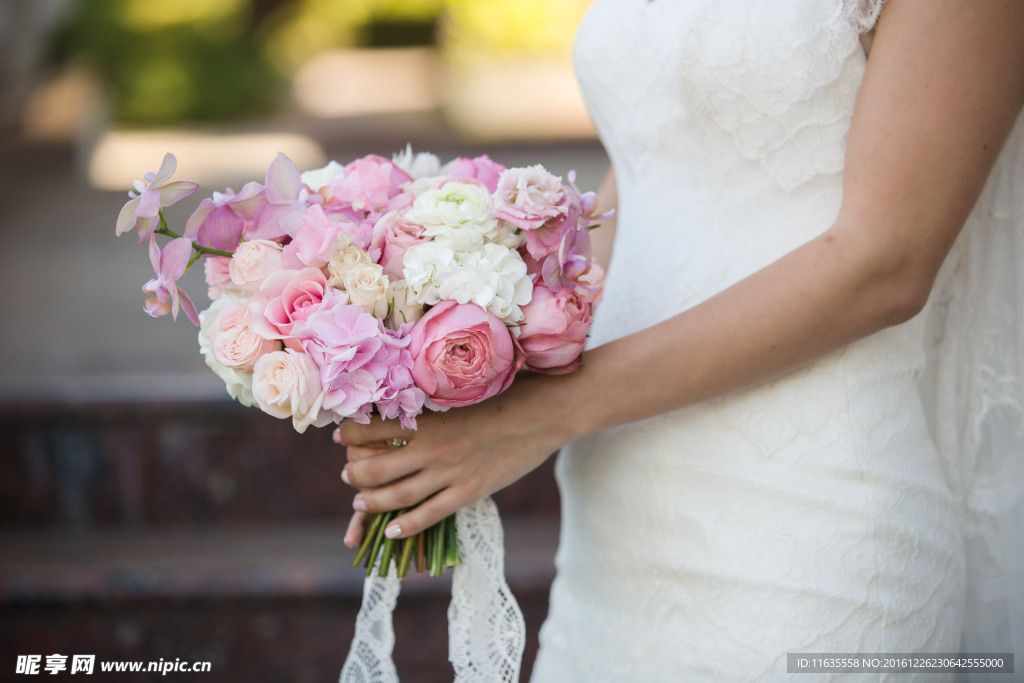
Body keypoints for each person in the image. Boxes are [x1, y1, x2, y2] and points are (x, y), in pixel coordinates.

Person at [337, 0, 1024, 679]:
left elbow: (886, 263)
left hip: (808, 534)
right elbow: (643, 178)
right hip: (610, 534)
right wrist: (458, 355)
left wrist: (538, 418)